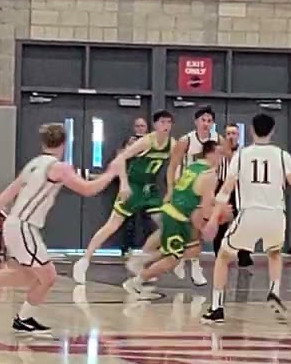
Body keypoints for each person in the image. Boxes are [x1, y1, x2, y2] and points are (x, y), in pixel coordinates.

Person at [0, 124, 121, 334]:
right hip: (23, 227)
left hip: (15, 225)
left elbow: (9, 191)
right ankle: (23, 319)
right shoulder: (59, 167)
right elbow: (87, 189)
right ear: (64, 143)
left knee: (27, 276)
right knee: (48, 276)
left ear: (43, 142)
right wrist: (111, 173)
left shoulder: (34, 163)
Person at [201, 113, 291, 324]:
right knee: (274, 253)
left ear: (251, 130)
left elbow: (225, 190)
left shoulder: (241, 155)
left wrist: (213, 218)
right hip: (276, 215)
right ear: (273, 131)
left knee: (223, 256)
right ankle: (274, 291)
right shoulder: (282, 155)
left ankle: (216, 307)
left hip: (250, 213)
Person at [72, 110, 174, 284]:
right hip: (133, 186)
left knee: (168, 226)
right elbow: (120, 159)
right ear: (156, 125)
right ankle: (84, 261)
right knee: (111, 226)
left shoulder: (172, 144)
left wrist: (172, 189)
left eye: (169, 122)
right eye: (162, 122)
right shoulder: (146, 142)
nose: (166, 126)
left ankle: (140, 260)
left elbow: (174, 166)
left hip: (149, 189)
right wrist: (124, 184)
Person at [122, 140, 223, 297]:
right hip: (177, 217)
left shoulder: (192, 167)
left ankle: (143, 259)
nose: (221, 157)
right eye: (220, 153)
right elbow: (205, 206)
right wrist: (212, 220)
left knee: (192, 249)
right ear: (211, 153)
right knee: (173, 258)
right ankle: (136, 282)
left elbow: (188, 191)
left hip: (175, 213)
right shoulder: (209, 175)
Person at [166, 106, 219, 285]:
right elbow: (172, 166)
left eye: (209, 120)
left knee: (198, 227)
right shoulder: (186, 140)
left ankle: (194, 265)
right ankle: (179, 260)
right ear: (196, 121)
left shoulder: (216, 140)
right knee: (185, 229)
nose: (206, 124)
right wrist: (170, 189)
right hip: (186, 187)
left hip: (203, 187)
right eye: (203, 120)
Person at [211, 124, 253, 269]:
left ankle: (244, 256)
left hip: (239, 188)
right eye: (228, 133)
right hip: (223, 186)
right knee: (221, 223)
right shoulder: (219, 151)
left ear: (238, 136)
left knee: (243, 223)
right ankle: (219, 255)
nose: (231, 136)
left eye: (234, 133)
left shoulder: (244, 152)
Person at [120, 116, 150, 254]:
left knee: (147, 218)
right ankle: (127, 248)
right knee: (128, 218)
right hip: (131, 184)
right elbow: (119, 159)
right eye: (137, 126)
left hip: (146, 185)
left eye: (142, 126)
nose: (140, 129)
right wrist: (129, 148)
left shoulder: (151, 143)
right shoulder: (128, 142)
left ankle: (147, 248)